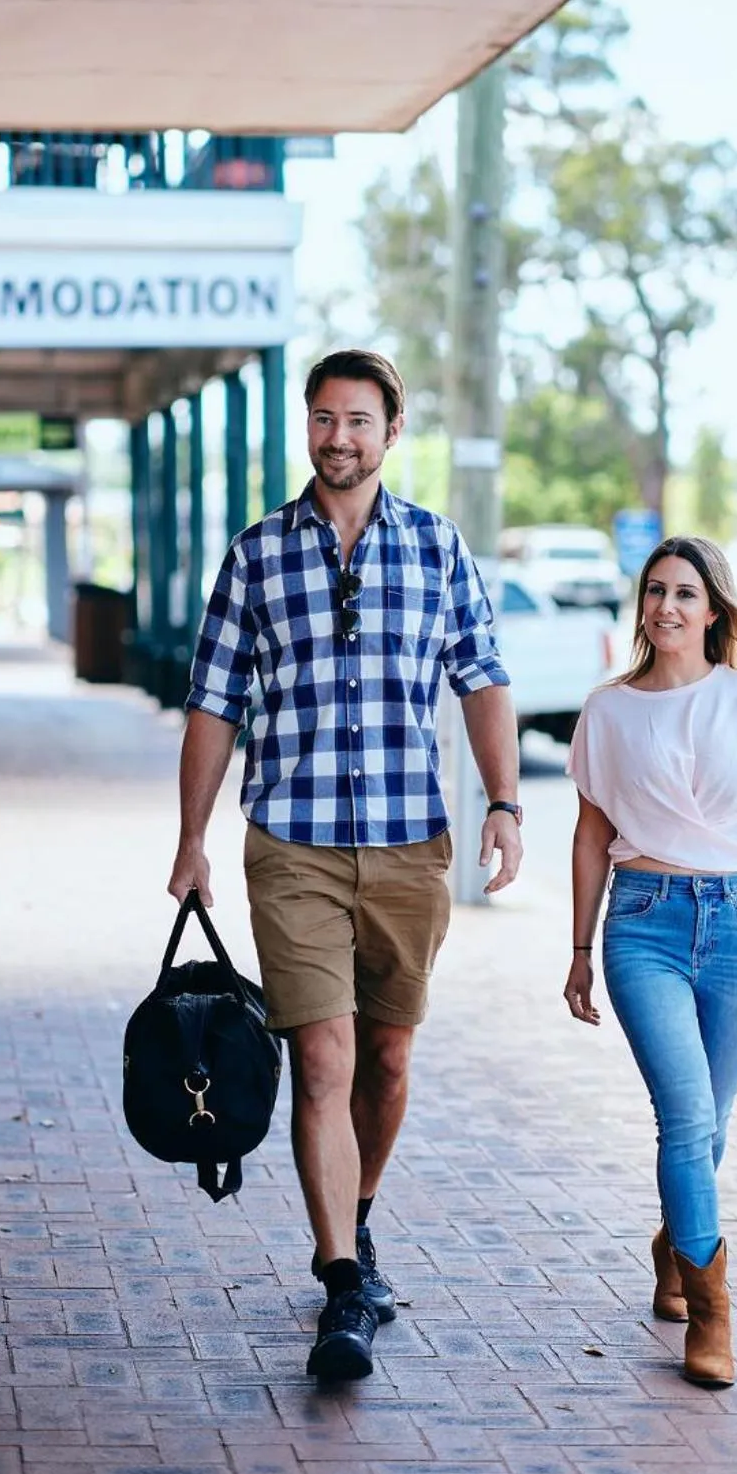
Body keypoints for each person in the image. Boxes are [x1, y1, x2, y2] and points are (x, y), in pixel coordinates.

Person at [169, 349, 523, 1382]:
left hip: (411, 847)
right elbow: (212, 704)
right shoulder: (256, 555)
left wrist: (503, 803)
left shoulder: (435, 548)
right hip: (292, 848)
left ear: (390, 432)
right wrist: (190, 841)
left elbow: (482, 677)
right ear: (307, 429)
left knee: (387, 1061)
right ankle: (338, 1286)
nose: (338, 438)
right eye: (323, 419)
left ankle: (356, 1220)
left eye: (357, 421)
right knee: (321, 1060)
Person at [563, 536, 737, 1388]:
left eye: (686, 593)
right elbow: (588, 836)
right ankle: (714, 1318)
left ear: (714, 609)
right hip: (642, 925)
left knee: (711, 1129)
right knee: (685, 1122)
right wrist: (578, 949)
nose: (667, 607)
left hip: (735, 928)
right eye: (656, 591)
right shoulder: (607, 710)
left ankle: (675, 1246)